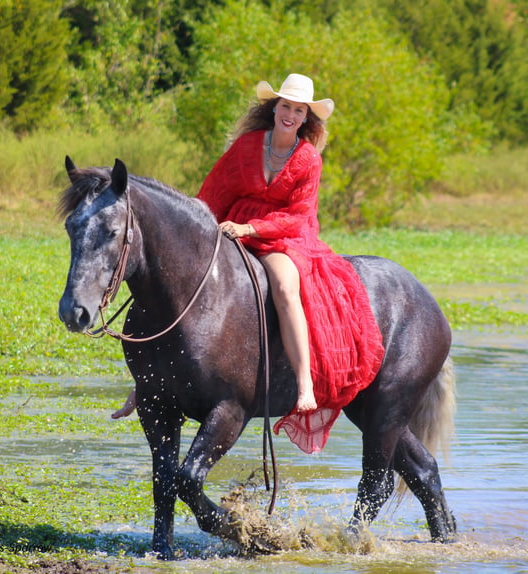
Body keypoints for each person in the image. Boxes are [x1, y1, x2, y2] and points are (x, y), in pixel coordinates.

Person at [114, 74, 385, 454]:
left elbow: (299, 214)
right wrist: (198, 235)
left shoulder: (308, 159)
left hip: (284, 237)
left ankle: (304, 382)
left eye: (299, 110)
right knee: (181, 287)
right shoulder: (246, 147)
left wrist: (251, 227)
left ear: (307, 117)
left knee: (285, 287)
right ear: (274, 108)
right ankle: (151, 379)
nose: (290, 114)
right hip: (233, 228)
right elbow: (210, 195)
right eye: (285, 106)